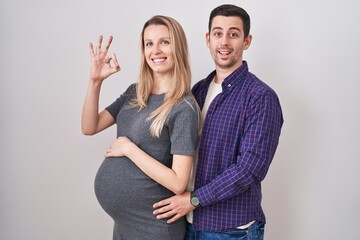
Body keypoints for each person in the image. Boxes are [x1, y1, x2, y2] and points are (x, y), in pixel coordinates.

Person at [153, 4, 283, 240]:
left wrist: (194, 200)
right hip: (188, 224)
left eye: (233, 34)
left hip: (231, 230)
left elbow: (250, 169)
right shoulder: (198, 91)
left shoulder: (260, 97)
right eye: (217, 33)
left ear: (247, 41)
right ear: (208, 39)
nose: (224, 42)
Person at [81, 15, 199, 240]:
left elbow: (178, 182)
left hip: (154, 228)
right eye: (149, 43)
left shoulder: (183, 107)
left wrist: (129, 149)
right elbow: (89, 126)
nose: (155, 50)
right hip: (124, 227)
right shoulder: (134, 92)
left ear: (178, 47)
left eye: (165, 42)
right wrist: (95, 81)